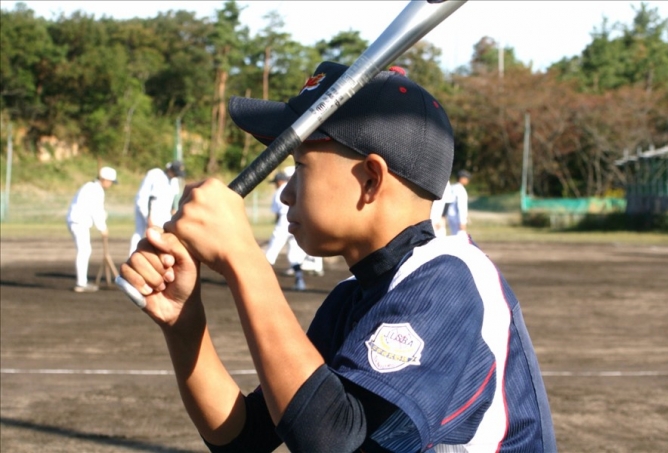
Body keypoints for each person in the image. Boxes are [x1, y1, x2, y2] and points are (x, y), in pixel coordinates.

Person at [121, 61, 556, 452]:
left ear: (370, 179)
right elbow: (246, 438)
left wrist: (242, 255)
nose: (286, 193)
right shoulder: (354, 297)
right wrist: (184, 323)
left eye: (300, 166)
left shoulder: (450, 280)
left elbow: (336, 442)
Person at [66, 166, 117, 292]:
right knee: (84, 250)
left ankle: (82, 282)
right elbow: (96, 210)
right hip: (79, 222)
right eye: (110, 181)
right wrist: (102, 228)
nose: (110, 184)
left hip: (76, 220)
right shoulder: (95, 190)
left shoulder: (90, 187)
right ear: (104, 179)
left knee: (85, 250)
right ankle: (81, 284)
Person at [129, 160, 185, 256]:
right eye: (175, 173)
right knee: (139, 232)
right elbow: (147, 198)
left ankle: (156, 256)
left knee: (161, 234)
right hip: (145, 207)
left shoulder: (174, 181)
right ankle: (131, 256)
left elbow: (173, 198)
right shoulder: (156, 175)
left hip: (162, 211)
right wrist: (148, 218)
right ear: (170, 170)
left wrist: (173, 210)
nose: (176, 175)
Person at [265, 169, 307, 291]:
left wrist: (278, 230)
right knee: (294, 254)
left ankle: (263, 282)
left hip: (284, 221)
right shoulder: (294, 188)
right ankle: (300, 281)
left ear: (279, 181)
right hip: (296, 220)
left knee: (271, 253)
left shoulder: (279, 192)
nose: (275, 184)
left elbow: (277, 214)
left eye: (275, 182)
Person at [445, 169, 472, 237]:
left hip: (450, 215)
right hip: (457, 216)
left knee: (454, 235)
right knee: (460, 237)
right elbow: (461, 206)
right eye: (467, 178)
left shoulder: (452, 187)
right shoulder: (460, 189)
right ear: (462, 178)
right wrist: (462, 221)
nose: (468, 180)